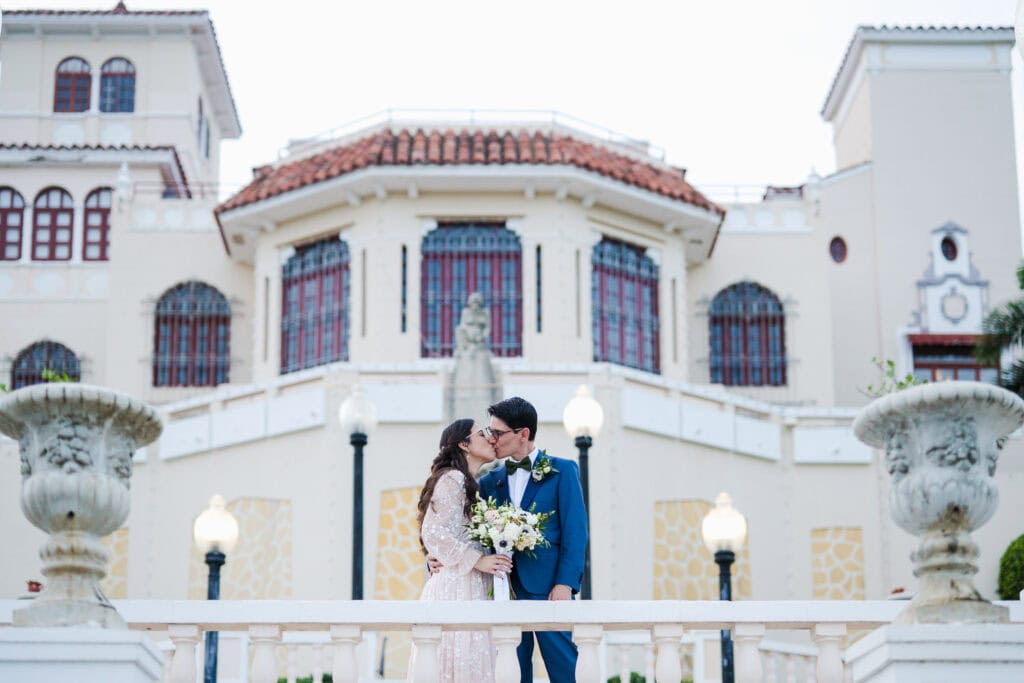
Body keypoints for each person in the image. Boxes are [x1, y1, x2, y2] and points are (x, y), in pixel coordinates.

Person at [478, 396, 588, 683]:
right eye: (490, 432)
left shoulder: (562, 471)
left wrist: (565, 583)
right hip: (504, 590)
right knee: (512, 672)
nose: (492, 440)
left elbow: (576, 533)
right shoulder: (489, 481)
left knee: (566, 670)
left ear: (523, 433)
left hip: (549, 588)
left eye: (498, 433)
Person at [408, 418, 512, 683]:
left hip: (469, 584)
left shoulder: (469, 484)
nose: (491, 438)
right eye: (483, 433)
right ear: (464, 444)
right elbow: (432, 532)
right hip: (457, 587)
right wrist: (478, 561)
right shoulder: (452, 478)